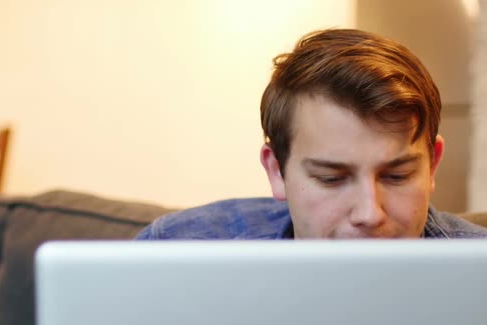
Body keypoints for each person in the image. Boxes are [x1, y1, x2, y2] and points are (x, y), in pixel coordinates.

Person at [136, 28, 487, 240]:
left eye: (397, 176)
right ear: (277, 171)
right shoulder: (178, 247)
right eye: (331, 178)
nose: (370, 214)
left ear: (433, 166)